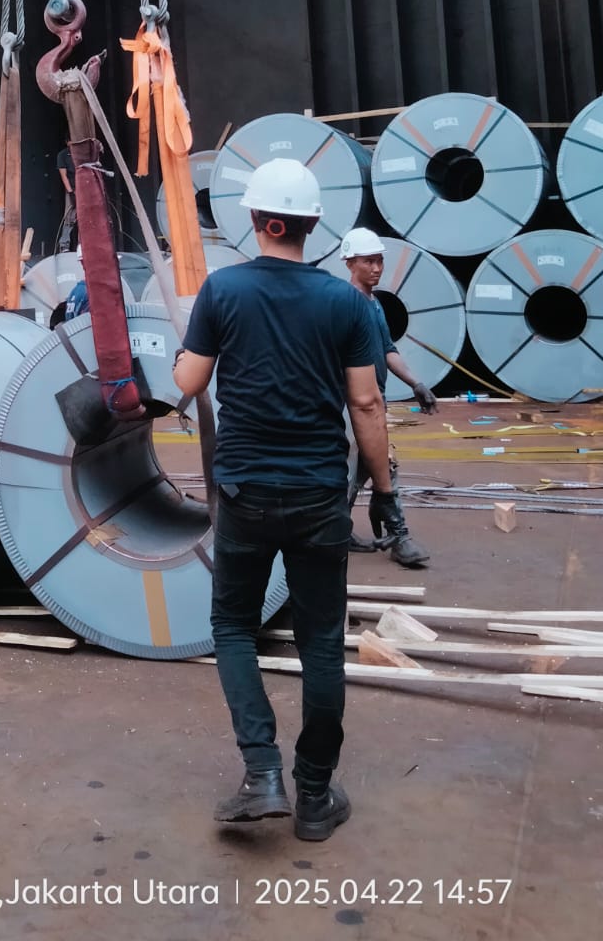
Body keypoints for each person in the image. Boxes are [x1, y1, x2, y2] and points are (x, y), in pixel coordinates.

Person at [173, 158, 394, 842]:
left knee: (233, 626)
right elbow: (367, 401)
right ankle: (315, 795)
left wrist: (203, 335)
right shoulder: (347, 303)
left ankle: (261, 774)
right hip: (320, 493)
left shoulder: (223, 290)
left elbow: (187, 379)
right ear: (313, 225)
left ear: (255, 219)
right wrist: (384, 491)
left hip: (243, 492)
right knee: (323, 641)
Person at [340, 228, 433, 568]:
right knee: (363, 468)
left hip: (373, 401)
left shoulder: (374, 304)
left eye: (380, 260)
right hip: (351, 405)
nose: (377, 268)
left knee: (366, 468)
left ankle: (355, 531)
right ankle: (398, 535)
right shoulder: (345, 306)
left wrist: (416, 382)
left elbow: (387, 350)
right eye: (369, 261)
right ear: (350, 263)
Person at [56, 144, 77, 252]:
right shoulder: (63, 155)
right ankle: (64, 244)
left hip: (85, 188)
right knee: (69, 217)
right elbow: (64, 176)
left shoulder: (82, 152)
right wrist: (70, 192)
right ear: (67, 141)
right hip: (72, 189)